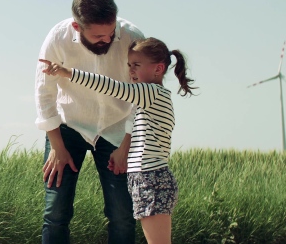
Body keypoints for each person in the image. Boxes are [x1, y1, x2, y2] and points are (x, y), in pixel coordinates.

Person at [39, 36, 197, 244]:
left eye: (137, 65)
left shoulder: (150, 93)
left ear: (158, 69)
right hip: (147, 178)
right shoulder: (151, 99)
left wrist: (68, 73)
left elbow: (109, 86)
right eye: (129, 65)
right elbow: (133, 122)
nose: (131, 71)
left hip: (151, 179)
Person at [35, 0, 144, 244]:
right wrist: (57, 147)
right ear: (77, 27)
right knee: (55, 213)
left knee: (122, 214)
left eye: (111, 33)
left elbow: (142, 96)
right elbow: (44, 94)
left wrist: (126, 146)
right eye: (98, 36)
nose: (107, 40)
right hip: (67, 127)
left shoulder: (133, 37)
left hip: (117, 129)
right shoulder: (56, 38)